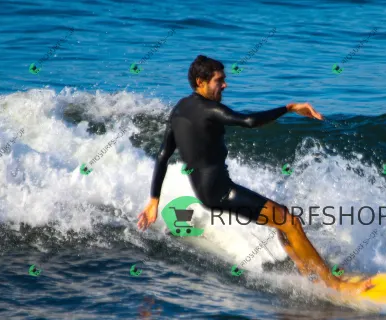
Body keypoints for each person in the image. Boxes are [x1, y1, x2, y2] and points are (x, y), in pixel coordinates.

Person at [137, 55, 372, 294]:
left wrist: (154, 200)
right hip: (220, 191)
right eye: (219, 80)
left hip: (208, 191)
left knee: (282, 218)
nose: (225, 85)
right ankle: (335, 284)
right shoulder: (209, 109)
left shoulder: (180, 108)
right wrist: (289, 108)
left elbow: (163, 155)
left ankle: (305, 271)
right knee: (290, 222)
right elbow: (248, 121)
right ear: (201, 82)